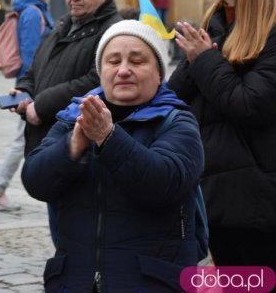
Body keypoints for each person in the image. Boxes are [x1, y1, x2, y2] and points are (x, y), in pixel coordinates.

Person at [22, 20, 204, 292]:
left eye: (137, 60)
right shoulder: (73, 119)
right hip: (75, 281)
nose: (123, 70)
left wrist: (108, 138)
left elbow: (163, 183)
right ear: (100, 71)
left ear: (159, 74)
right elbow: (35, 180)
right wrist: (72, 148)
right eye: (113, 61)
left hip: (151, 282)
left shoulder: (177, 122)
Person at [168, 0, 276, 268]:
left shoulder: (271, 31)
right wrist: (192, 57)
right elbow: (175, 96)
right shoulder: (216, 25)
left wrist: (203, 60)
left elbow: (251, 104)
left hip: (257, 193)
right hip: (214, 187)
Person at [13, 0, 122, 244]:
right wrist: (23, 90)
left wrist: (43, 104)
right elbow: (35, 67)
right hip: (51, 147)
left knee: (79, 234)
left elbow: (95, 80)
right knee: (61, 228)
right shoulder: (62, 26)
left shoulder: (113, 31)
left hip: (82, 151)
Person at [0, 0, 54, 211]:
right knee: (21, 139)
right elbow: (31, 56)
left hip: (36, 84)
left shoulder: (38, 9)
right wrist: (32, 91)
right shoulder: (32, 13)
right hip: (32, 86)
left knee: (28, 137)